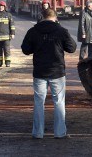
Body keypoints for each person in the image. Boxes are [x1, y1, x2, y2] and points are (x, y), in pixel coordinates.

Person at [21, 8, 76, 139]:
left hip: (40, 72)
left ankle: (38, 133)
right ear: (55, 17)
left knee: (39, 102)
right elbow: (72, 48)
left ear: (42, 16)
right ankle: (60, 132)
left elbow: (25, 49)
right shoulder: (61, 31)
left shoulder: (33, 31)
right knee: (59, 102)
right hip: (57, 72)